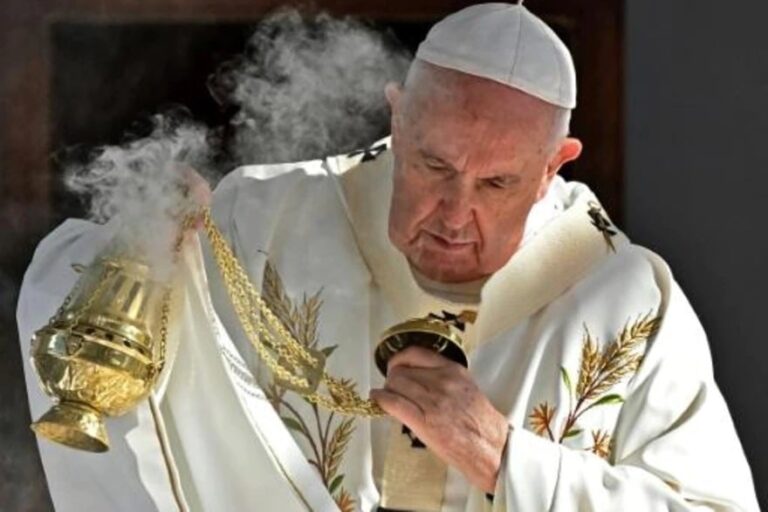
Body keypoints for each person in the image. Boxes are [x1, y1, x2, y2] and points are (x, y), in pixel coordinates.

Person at [17, 3, 760, 511]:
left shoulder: (628, 301)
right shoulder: (267, 221)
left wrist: (505, 458)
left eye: (497, 183)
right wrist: (146, 235)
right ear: (399, 117)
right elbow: (85, 312)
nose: (455, 214)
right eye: (434, 165)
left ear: (554, 166)